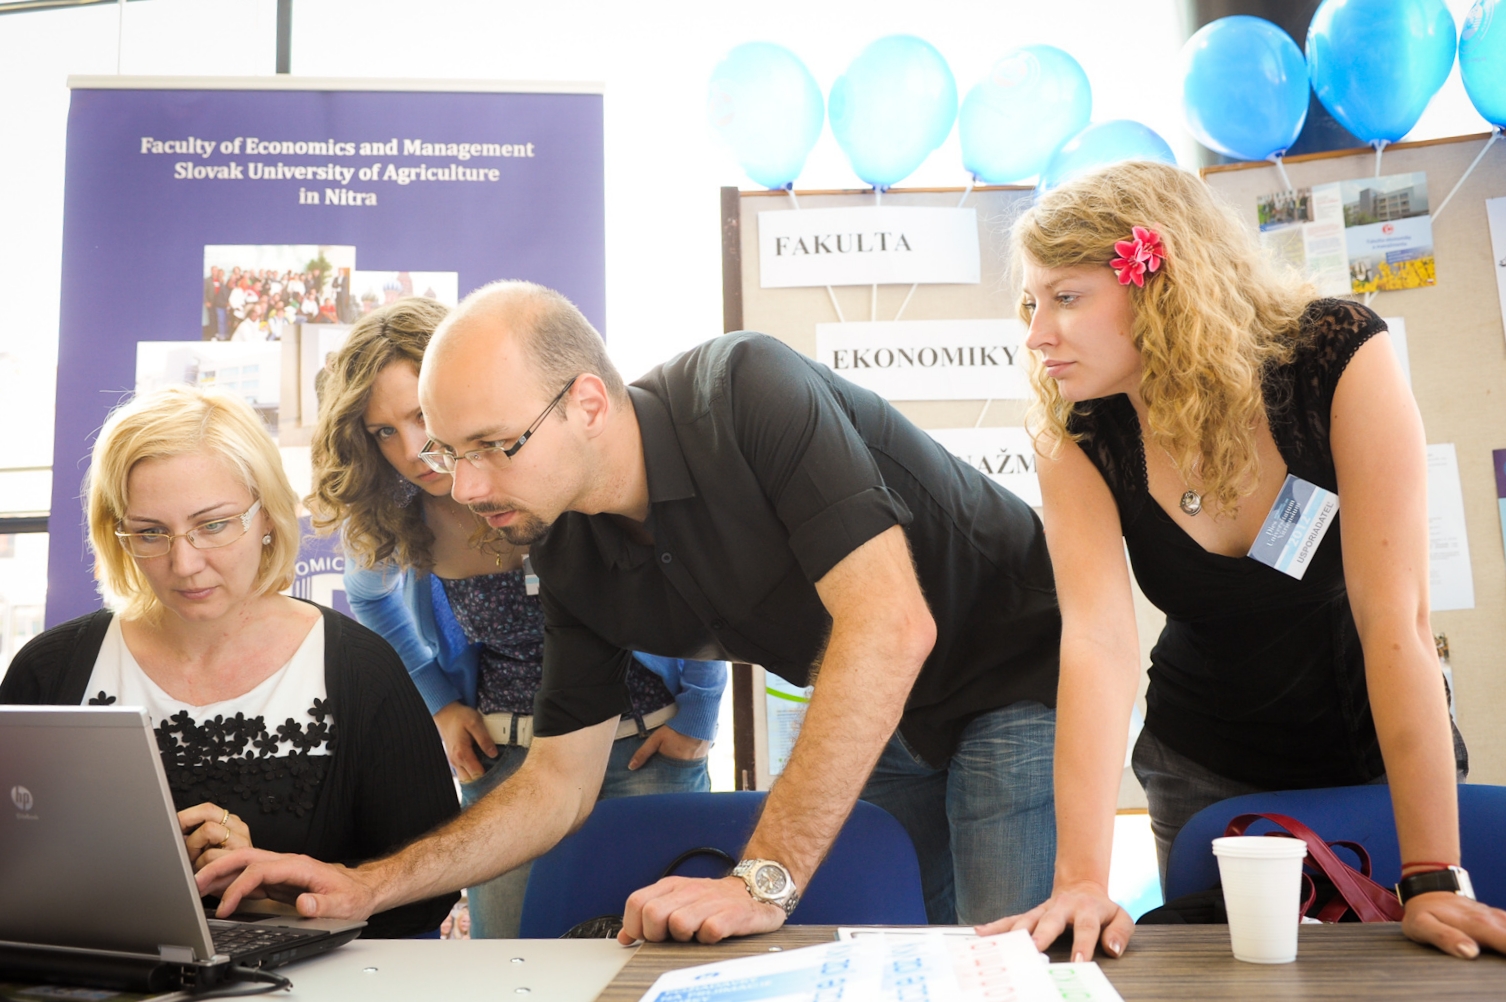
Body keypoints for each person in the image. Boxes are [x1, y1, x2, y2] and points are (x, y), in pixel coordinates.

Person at [197, 279, 1062, 940]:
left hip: (1009, 679)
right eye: (454, 453)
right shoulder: (567, 550)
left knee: (1000, 958)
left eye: (494, 447)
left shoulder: (745, 390)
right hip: (891, 714)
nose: (467, 487)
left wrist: (759, 880)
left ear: (587, 403)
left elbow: (890, 625)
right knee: (908, 947)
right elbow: (555, 784)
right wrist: (365, 885)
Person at [977, 160, 1506, 962]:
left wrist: (1432, 874)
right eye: (1030, 303)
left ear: (1157, 282)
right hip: (1203, 765)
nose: (1036, 333)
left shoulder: (1335, 356)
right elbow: (1097, 645)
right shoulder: (1075, 434)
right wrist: (1081, 878)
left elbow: (1395, 620)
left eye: (1066, 297)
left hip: (1375, 752)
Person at [306, 296, 728, 938]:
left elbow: (684, 578)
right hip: (504, 762)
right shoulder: (398, 517)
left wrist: (699, 710)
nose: (414, 449)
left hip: (644, 746)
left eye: (420, 416)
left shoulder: (561, 464)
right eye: (383, 432)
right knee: (509, 957)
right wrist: (441, 702)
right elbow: (368, 598)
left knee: (657, 953)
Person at [0, 385, 459, 938]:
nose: (184, 563)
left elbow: (424, 897)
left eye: (213, 525)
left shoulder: (362, 672)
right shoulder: (48, 671)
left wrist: (281, 894)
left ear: (268, 516)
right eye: (150, 533)